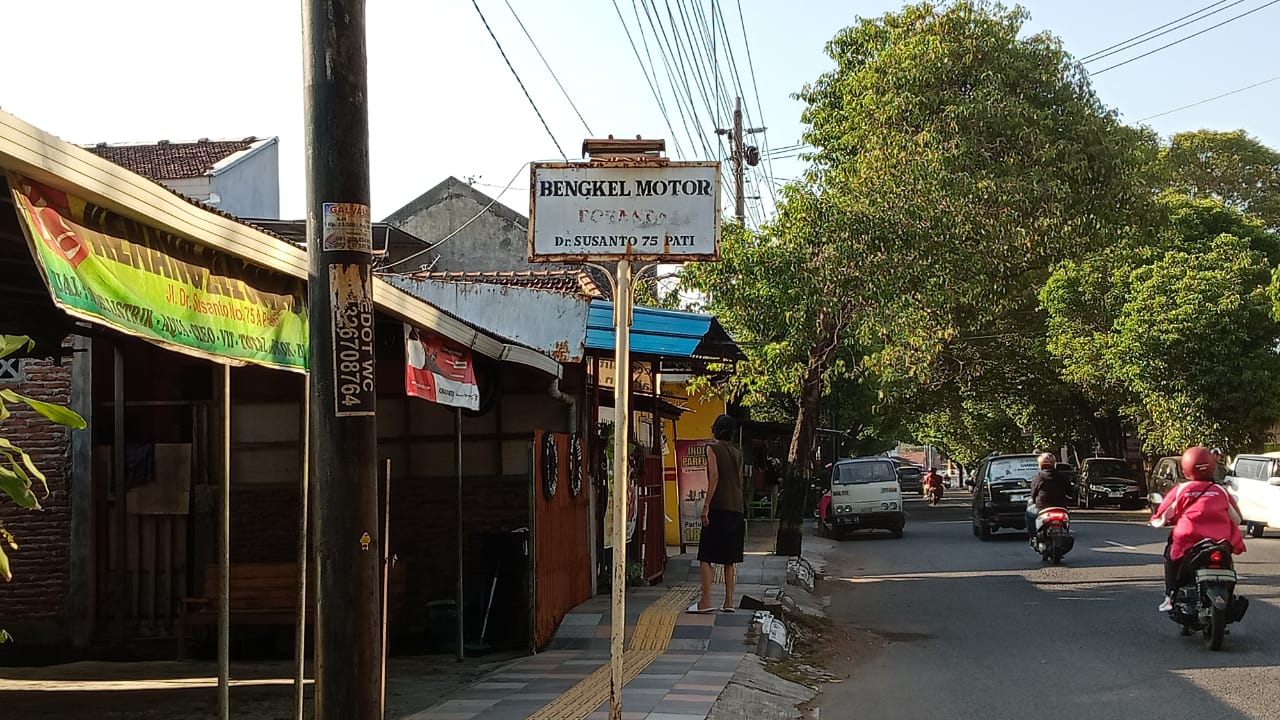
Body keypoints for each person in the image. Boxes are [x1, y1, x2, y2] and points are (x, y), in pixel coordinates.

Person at [1151, 446, 1246, 612]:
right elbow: (1237, 519)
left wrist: (1158, 522)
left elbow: (1163, 516)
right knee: (1226, 559)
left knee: (1170, 556)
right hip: (1219, 541)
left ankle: (1170, 596)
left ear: (1186, 467)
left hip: (1188, 540)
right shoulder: (1220, 491)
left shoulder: (1181, 490)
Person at [689, 414, 746, 614]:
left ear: (715, 430)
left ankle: (705, 602)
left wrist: (706, 506)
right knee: (729, 558)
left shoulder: (711, 448)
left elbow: (714, 477)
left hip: (719, 506)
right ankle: (729, 602)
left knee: (706, 555)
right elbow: (740, 481)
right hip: (737, 508)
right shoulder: (737, 453)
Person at [1026, 452, 1071, 542]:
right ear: (1054, 464)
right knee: (1067, 519)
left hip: (1042, 508)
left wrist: (1034, 500)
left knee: (1028, 513)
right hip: (1061, 507)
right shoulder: (1063, 477)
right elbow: (1070, 491)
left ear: (1040, 465)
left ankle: (1032, 537)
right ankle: (1066, 532)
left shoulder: (1038, 478)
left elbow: (1033, 494)